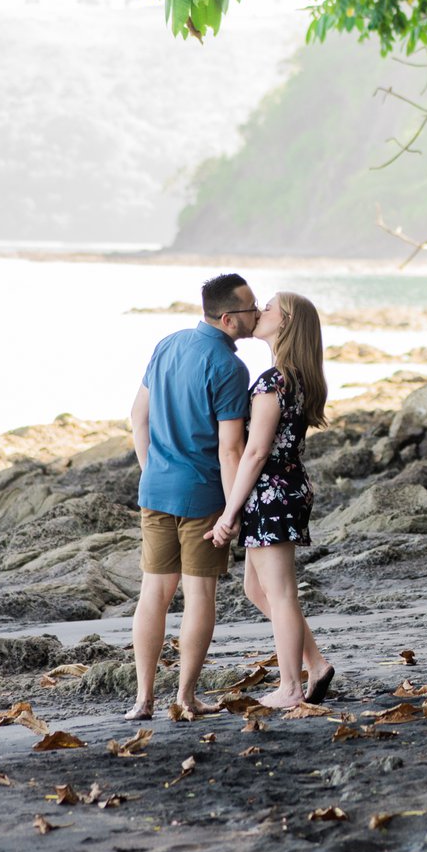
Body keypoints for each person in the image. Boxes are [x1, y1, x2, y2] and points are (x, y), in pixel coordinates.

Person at [125, 273, 258, 721]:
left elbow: (137, 418)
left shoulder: (168, 344)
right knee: (200, 596)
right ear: (227, 318)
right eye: (250, 309)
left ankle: (143, 700)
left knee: (153, 595)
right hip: (202, 496)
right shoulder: (229, 369)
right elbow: (230, 449)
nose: (256, 315)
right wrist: (234, 507)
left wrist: (152, 470)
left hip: (156, 490)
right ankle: (184, 698)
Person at [207, 291, 334, 708]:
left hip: (272, 492)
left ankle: (291, 688)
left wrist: (229, 512)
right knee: (258, 589)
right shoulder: (298, 378)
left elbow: (255, 453)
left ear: (286, 322)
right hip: (289, 486)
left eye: (269, 307)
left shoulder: (272, 381)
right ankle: (315, 665)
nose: (260, 310)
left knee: (279, 594)